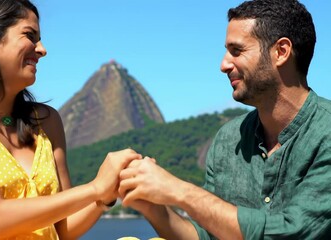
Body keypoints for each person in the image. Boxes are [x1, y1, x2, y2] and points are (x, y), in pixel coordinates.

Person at [0, 0, 141, 239]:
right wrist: (95, 188)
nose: (42, 49)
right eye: (30, 35)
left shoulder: (46, 122)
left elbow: (63, 228)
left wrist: (107, 194)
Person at [118, 0, 331, 239]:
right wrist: (150, 204)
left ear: (281, 52)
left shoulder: (326, 134)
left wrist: (178, 190)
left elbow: (292, 232)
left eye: (236, 51)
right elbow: (206, 234)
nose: (223, 64)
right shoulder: (229, 139)